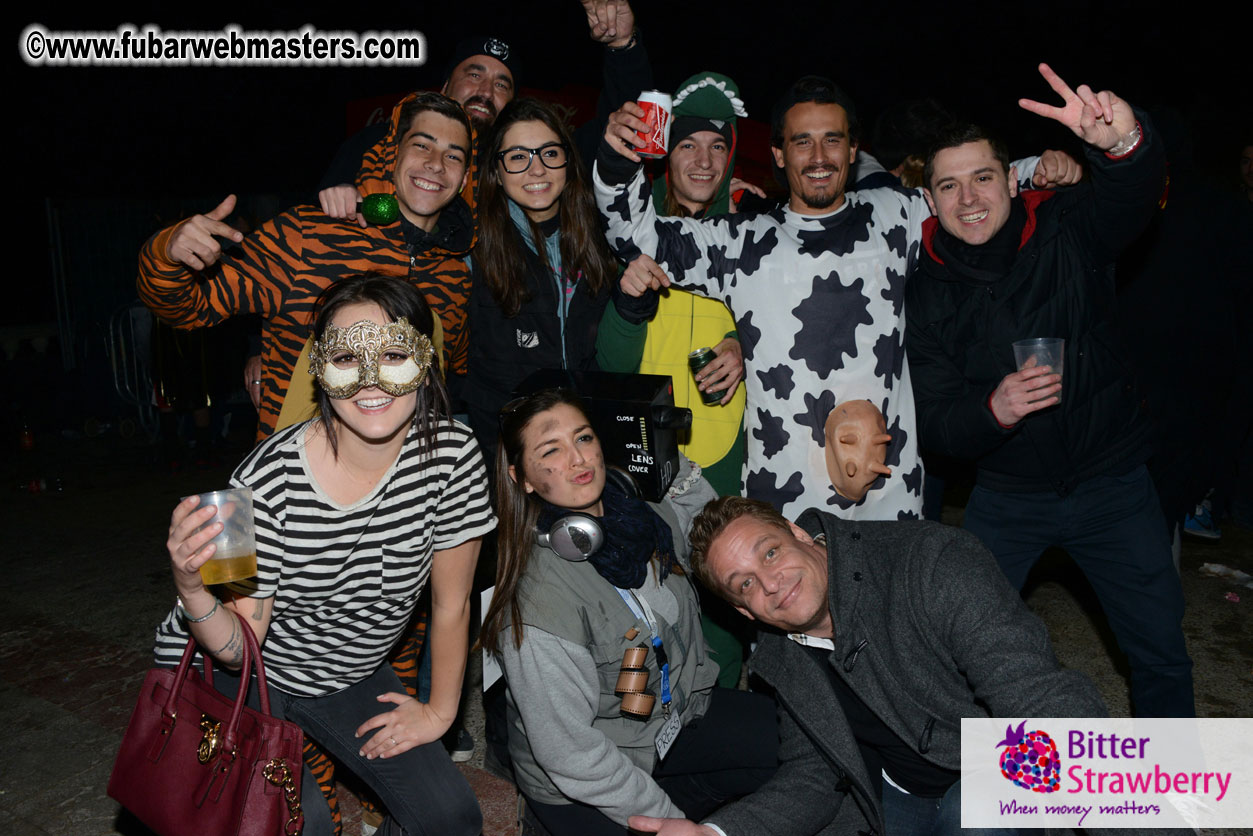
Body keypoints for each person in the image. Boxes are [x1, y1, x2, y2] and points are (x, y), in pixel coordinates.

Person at [597, 76, 1082, 522]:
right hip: (785, 504)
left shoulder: (896, 215)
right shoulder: (739, 242)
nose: (819, 155)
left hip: (891, 497)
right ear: (779, 154)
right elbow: (637, 237)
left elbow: (972, 188)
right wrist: (620, 159)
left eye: (833, 139)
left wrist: (1040, 169)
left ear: (853, 150)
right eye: (802, 141)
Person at [155, 274, 495, 836]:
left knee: (449, 818)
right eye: (344, 357)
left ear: (425, 361)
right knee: (299, 822)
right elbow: (242, 649)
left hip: (346, 670)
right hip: (234, 671)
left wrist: (439, 712)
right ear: (318, 368)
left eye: (392, 353)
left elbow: (453, 604)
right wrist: (192, 590)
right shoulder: (263, 481)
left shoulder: (453, 458)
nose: (371, 380)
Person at [905, 64, 1194, 718]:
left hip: (1112, 482)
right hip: (1006, 498)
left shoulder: (1066, 228)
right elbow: (937, 421)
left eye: (982, 177)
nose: (968, 198)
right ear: (928, 201)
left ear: (1011, 178)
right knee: (958, 652)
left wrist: (1122, 144)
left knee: (1158, 651)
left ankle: (1173, 804)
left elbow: (1130, 196)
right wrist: (992, 410)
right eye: (947, 185)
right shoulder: (924, 292)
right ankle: (987, 802)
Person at [627, 496, 1105, 836]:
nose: (771, 583)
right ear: (744, 613)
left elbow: (1042, 700)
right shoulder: (777, 655)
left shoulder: (932, 562)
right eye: (746, 584)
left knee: (973, 817)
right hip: (894, 792)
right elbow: (812, 775)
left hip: (990, 766)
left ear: (798, 533)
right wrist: (717, 832)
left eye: (770, 553)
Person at [479, 389, 778, 835]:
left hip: (674, 717)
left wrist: (672, 469)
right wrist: (672, 824)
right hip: (588, 769)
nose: (578, 459)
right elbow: (571, 755)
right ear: (521, 477)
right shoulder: (538, 602)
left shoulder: (644, 515)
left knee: (796, 742)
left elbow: (713, 540)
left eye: (583, 438)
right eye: (551, 450)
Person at [138, 92, 476, 441]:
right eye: (422, 146)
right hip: (296, 481)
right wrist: (167, 252)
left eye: (453, 155)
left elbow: (453, 374)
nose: (436, 163)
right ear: (393, 155)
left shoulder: (455, 275)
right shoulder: (307, 234)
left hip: (403, 484)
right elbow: (185, 307)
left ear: (464, 178)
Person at [463, 98, 620, 461]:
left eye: (549, 153)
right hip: (504, 446)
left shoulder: (600, 234)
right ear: (496, 172)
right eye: (518, 157)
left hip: (584, 434)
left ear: (568, 162)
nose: (537, 169)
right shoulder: (473, 241)